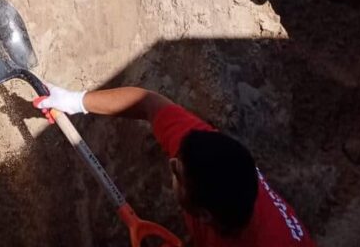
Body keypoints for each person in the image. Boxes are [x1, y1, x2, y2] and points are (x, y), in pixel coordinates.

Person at [33, 83, 315, 245]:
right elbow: (148, 103)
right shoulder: (210, 154)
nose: (171, 162)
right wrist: (74, 101)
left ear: (203, 214)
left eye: (177, 172)